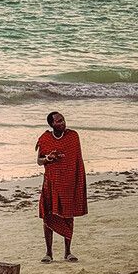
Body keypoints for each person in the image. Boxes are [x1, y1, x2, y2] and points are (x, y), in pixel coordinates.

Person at [36, 112, 87, 263]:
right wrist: (48, 158)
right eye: (58, 121)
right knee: (48, 216)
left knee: (68, 216)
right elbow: (39, 161)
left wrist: (78, 181)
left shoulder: (73, 137)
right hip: (51, 183)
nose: (63, 123)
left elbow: (77, 161)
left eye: (63, 120)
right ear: (51, 124)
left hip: (68, 182)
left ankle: (68, 252)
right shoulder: (45, 139)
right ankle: (49, 253)